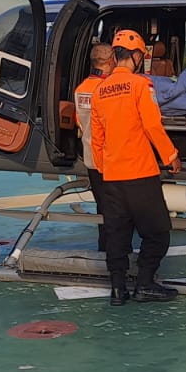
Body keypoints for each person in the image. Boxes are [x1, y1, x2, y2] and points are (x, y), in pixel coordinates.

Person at [89, 29, 182, 306]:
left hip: (112, 177)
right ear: (137, 56)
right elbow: (152, 125)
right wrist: (170, 155)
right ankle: (145, 283)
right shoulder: (141, 85)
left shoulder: (99, 91)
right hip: (141, 174)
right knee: (158, 233)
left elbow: (97, 138)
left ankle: (117, 289)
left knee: (116, 235)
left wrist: (106, 168)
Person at [72, 42, 115, 252]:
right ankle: (115, 253)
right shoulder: (108, 89)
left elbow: (79, 122)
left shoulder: (81, 90)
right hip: (110, 157)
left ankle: (104, 249)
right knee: (116, 209)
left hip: (90, 157)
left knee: (102, 207)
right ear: (110, 61)